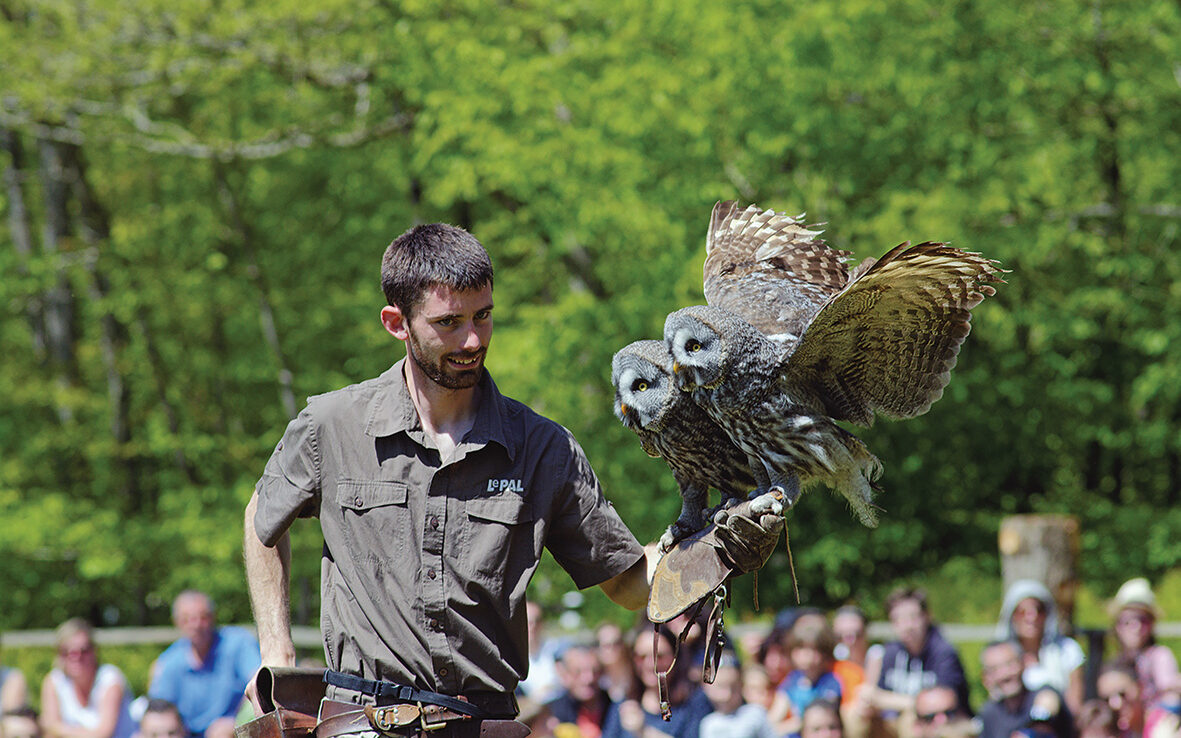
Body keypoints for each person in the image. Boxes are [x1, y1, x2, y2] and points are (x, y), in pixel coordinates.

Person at [242, 223, 782, 735]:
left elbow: (626, 583)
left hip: (482, 721)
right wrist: (276, 653)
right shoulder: (333, 426)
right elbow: (262, 517)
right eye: (449, 323)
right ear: (396, 323)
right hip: (360, 720)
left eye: (484, 316)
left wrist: (718, 546)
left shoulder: (542, 447)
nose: (473, 339)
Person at [148, 591, 260, 738]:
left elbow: (259, 684)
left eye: (203, 617)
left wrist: (236, 722)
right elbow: (159, 709)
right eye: (187, 619)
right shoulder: (169, 661)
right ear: (177, 622)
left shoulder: (238, 644)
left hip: (235, 731)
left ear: (214, 617)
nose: (196, 624)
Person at [855, 588, 971, 726]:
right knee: (855, 716)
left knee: (912, 720)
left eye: (913, 617)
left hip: (941, 724)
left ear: (927, 616)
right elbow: (875, 695)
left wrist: (886, 699)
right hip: (894, 722)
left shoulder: (943, 652)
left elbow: (942, 703)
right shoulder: (890, 652)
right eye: (898, 619)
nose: (907, 626)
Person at [995, 580, 1085, 714]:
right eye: (1022, 611)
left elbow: (1075, 705)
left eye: (1038, 610)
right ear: (1012, 616)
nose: (1032, 617)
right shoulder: (1001, 655)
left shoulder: (1068, 650)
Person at [40, 619, 137, 738]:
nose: (76, 657)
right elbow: (50, 729)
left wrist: (62, 730)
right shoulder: (54, 681)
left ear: (94, 651)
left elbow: (104, 734)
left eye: (83, 651)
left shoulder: (110, 679)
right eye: (67, 651)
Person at [618, 624, 713, 738]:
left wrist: (643, 732)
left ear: (675, 658)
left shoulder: (695, 701)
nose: (650, 664)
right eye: (642, 657)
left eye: (660, 656)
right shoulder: (625, 702)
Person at [1108, 579, 1180, 722]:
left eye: (1143, 620)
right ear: (1118, 625)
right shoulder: (1114, 662)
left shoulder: (1160, 656)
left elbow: (1169, 692)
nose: (1136, 626)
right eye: (1128, 621)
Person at [977, 641, 1074, 738]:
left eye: (1010, 664)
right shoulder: (990, 713)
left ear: (1023, 663)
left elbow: (1048, 701)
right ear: (986, 677)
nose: (1004, 674)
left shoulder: (1042, 695)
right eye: (995, 669)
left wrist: (1033, 730)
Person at [769, 615, 843, 735]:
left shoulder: (830, 681)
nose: (808, 656)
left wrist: (794, 724)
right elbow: (773, 719)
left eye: (815, 650)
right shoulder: (791, 681)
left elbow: (823, 718)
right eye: (801, 648)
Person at [545, 644, 623, 738]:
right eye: (578, 672)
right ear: (565, 674)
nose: (588, 679)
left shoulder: (616, 709)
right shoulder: (551, 714)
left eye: (595, 671)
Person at [699, 659, 775, 738]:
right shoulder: (708, 724)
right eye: (721, 687)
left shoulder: (755, 713)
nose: (727, 695)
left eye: (734, 687)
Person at [1096, 663, 1145, 738]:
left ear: (1140, 688)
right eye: (1107, 699)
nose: (1114, 705)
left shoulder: (1162, 725)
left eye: (1122, 694)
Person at [596, 623, 639, 703]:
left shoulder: (637, 673)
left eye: (616, 643)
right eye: (606, 645)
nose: (611, 649)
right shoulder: (596, 678)